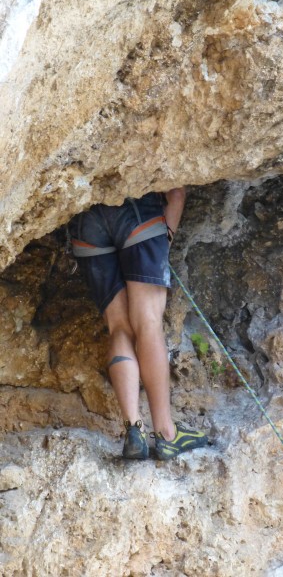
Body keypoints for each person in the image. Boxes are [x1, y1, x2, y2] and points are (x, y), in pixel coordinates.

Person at [69, 187, 208, 460]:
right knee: (148, 322)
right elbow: (176, 193)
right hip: (136, 215)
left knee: (119, 326)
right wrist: (164, 238)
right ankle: (167, 433)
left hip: (86, 224)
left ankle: (134, 428)